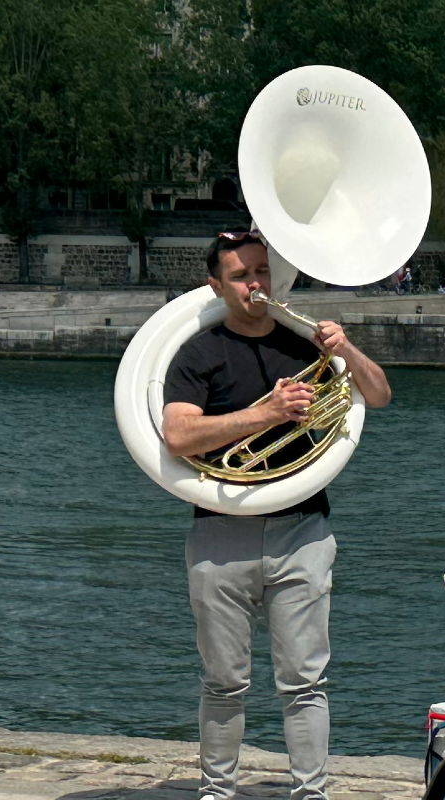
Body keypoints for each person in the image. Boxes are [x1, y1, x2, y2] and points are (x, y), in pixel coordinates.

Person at [160, 226, 393, 800]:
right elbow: (177, 434)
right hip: (218, 531)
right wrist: (263, 413)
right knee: (223, 683)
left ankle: (311, 793)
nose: (255, 285)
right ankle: (218, 793)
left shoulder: (306, 346)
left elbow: (380, 395)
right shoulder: (198, 354)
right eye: (240, 276)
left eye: (261, 272)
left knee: (305, 682)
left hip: (303, 529)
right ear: (216, 286)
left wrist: (347, 351)